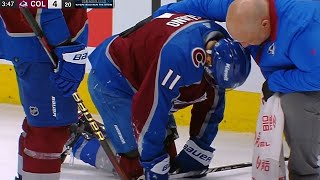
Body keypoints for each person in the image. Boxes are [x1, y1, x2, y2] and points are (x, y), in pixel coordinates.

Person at [70, 13, 251, 179]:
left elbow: (213, 102)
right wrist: (152, 162)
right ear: (207, 60)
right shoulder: (179, 55)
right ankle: (73, 138)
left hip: (147, 79)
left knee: (166, 157)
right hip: (114, 79)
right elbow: (149, 109)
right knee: (135, 167)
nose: (216, 86)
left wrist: (199, 148)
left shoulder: (222, 50)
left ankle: (117, 135)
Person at [153, 0, 320, 179]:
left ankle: (306, 174)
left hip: (314, 74)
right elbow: (200, 5)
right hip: (300, 66)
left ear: (264, 23)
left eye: (246, 40)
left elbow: (317, 78)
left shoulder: (305, 28)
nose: (244, 46)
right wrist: (159, 18)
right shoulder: (241, 6)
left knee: (294, 103)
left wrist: (276, 80)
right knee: (275, 96)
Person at [0, 9, 88, 180]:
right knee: (49, 131)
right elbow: (41, 6)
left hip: (37, 42)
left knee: (40, 123)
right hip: (44, 44)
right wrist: (66, 48)